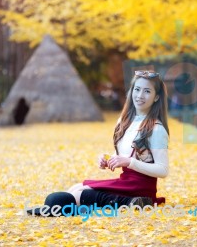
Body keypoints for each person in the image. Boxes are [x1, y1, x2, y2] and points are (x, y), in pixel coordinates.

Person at [27, 70, 170, 216]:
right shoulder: (125, 121)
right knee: (75, 188)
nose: (140, 95)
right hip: (126, 181)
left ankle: (132, 202)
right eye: (137, 89)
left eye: (147, 91)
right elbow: (125, 153)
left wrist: (129, 162)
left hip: (140, 188)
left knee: (71, 198)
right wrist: (109, 159)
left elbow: (163, 170)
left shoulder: (156, 129)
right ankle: (126, 202)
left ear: (156, 97)